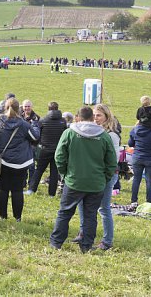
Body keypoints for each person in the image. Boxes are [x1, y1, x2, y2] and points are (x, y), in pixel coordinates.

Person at [49, 106, 117, 253]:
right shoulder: (104, 136)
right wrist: (104, 178)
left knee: (65, 212)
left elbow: (59, 156)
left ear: (78, 117)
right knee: (90, 215)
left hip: (74, 181)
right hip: (96, 183)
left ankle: (56, 242)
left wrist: (65, 174)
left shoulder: (69, 133)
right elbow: (112, 162)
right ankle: (86, 245)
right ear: (93, 118)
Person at [77, 104, 121, 250]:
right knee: (82, 203)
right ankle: (83, 232)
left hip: (105, 175)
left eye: (99, 115)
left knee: (103, 208)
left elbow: (113, 160)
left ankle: (107, 240)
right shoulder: (92, 132)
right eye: (94, 115)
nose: (96, 118)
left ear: (106, 117)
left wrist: (104, 175)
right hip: (92, 174)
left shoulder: (111, 135)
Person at [0, 97, 40, 221]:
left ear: (5, 108)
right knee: (17, 190)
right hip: (20, 162)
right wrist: (35, 125)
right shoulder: (23, 124)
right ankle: (17, 217)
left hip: (2, 160)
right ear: (19, 109)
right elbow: (35, 137)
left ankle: (2, 217)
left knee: (2, 188)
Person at [30, 102, 67, 196]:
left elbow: (38, 135)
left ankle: (32, 189)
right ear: (58, 108)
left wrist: (36, 145)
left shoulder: (43, 120)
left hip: (44, 149)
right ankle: (51, 194)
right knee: (54, 172)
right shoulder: (63, 121)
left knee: (39, 170)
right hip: (57, 150)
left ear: (48, 109)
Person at [128, 119, 151, 203]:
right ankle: (148, 201)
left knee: (136, 179)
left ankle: (133, 201)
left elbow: (130, 144)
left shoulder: (134, 130)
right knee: (149, 181)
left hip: (138, 157)